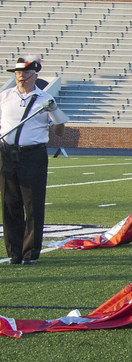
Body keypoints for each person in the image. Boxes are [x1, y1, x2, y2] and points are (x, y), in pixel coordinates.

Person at [1, 55, 67, 265]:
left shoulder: (44, 99)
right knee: (9, 204)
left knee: (33, 205)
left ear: (35, 75)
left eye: (26, 73)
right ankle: (14, 252)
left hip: (33, 155)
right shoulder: (5, 97)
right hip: (6, 153)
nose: (21, 76)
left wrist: (54, 111)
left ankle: (30, 253)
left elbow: (59, 131)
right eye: (18, 73)